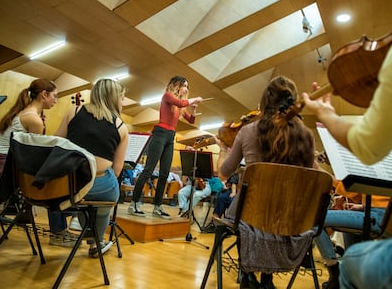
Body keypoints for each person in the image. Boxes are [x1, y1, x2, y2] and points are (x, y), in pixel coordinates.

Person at [303, 46, 392, 289]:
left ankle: (334, 268)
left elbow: (345, 186)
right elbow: (351, 191)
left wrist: (327, 117)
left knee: (315, 218)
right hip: (373, 212)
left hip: (380, 217)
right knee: (351, 226)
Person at [217, 75, 316, 289]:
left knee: (245, 206)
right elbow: (316, 179)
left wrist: (223, 152)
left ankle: (247, 274)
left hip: (251, 217)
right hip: (291, 221)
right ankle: (266, 279)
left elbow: (224, 174)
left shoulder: (248, 131)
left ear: (264, 102)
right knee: (260, 208)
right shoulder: (306, 136)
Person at [0, 78, 79, 247]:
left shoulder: (24, 113)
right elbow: (36, 157)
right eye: (54, 96)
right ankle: (59, 231)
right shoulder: (33, 119)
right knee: (54, 179)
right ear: (44, 95)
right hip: (8, 171)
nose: (56, 100)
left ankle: (61, 227)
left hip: (2, 167)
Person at [55, 78, 128, 258]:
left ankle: (79, 220)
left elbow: (56, 145)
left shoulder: (73, 111)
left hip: (70, 182)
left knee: (83, 196)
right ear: (113, 98)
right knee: (107, 196)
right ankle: (97, 242)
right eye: (122, 98)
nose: (123, 102)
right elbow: (117, 170)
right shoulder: (121, 127)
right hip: (99, 185)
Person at [128, 76, 202, 219]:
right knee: (148, 170)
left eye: (187, 86)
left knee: (164, 173)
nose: (186, 89)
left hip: (170, 136)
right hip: (160, 134)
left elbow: (192, 120)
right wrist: (193, 99)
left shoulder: (180, 106)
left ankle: (157, 206)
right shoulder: (167, 96)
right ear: (176, 85)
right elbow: (180, 102)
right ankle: (134, 203)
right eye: (184, 86)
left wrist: (193, 109)